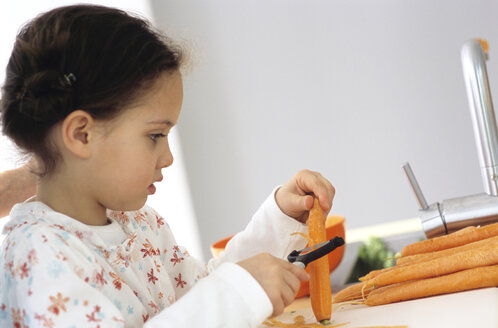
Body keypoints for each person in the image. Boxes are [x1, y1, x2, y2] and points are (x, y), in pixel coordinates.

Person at [0, 5, 335, 327]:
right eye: (155, 135)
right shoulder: (37, 258)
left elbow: (203, 296)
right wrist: (237, 293)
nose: (168, 157)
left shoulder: (140, 225)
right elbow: (217, 303)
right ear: (82, 134)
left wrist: (279, 219)